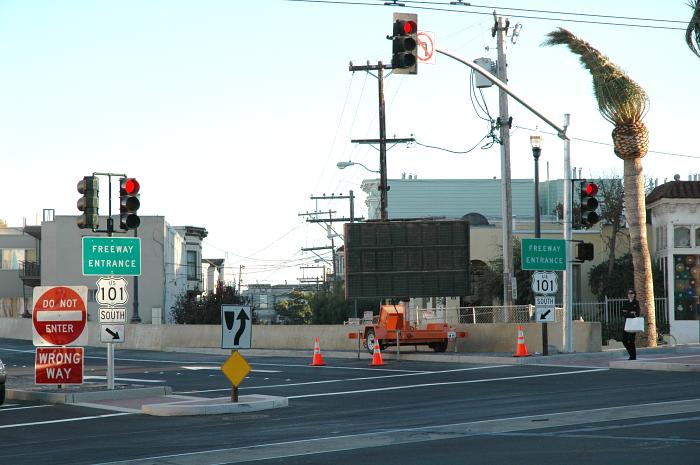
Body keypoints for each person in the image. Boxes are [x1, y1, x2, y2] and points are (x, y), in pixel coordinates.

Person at [621, 288, 641, 360]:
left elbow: (637, 314)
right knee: (624, 340)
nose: (630, 295)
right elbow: (623, 313)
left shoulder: (636, 303)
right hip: (626, 323)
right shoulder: (626, 303)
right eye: (629, 293)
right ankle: (631, 354)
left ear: (634, 294)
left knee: (631, 340)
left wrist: (628, 313)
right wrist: (631, 313)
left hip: (633, 324)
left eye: (632, 293)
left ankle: (633, 356)